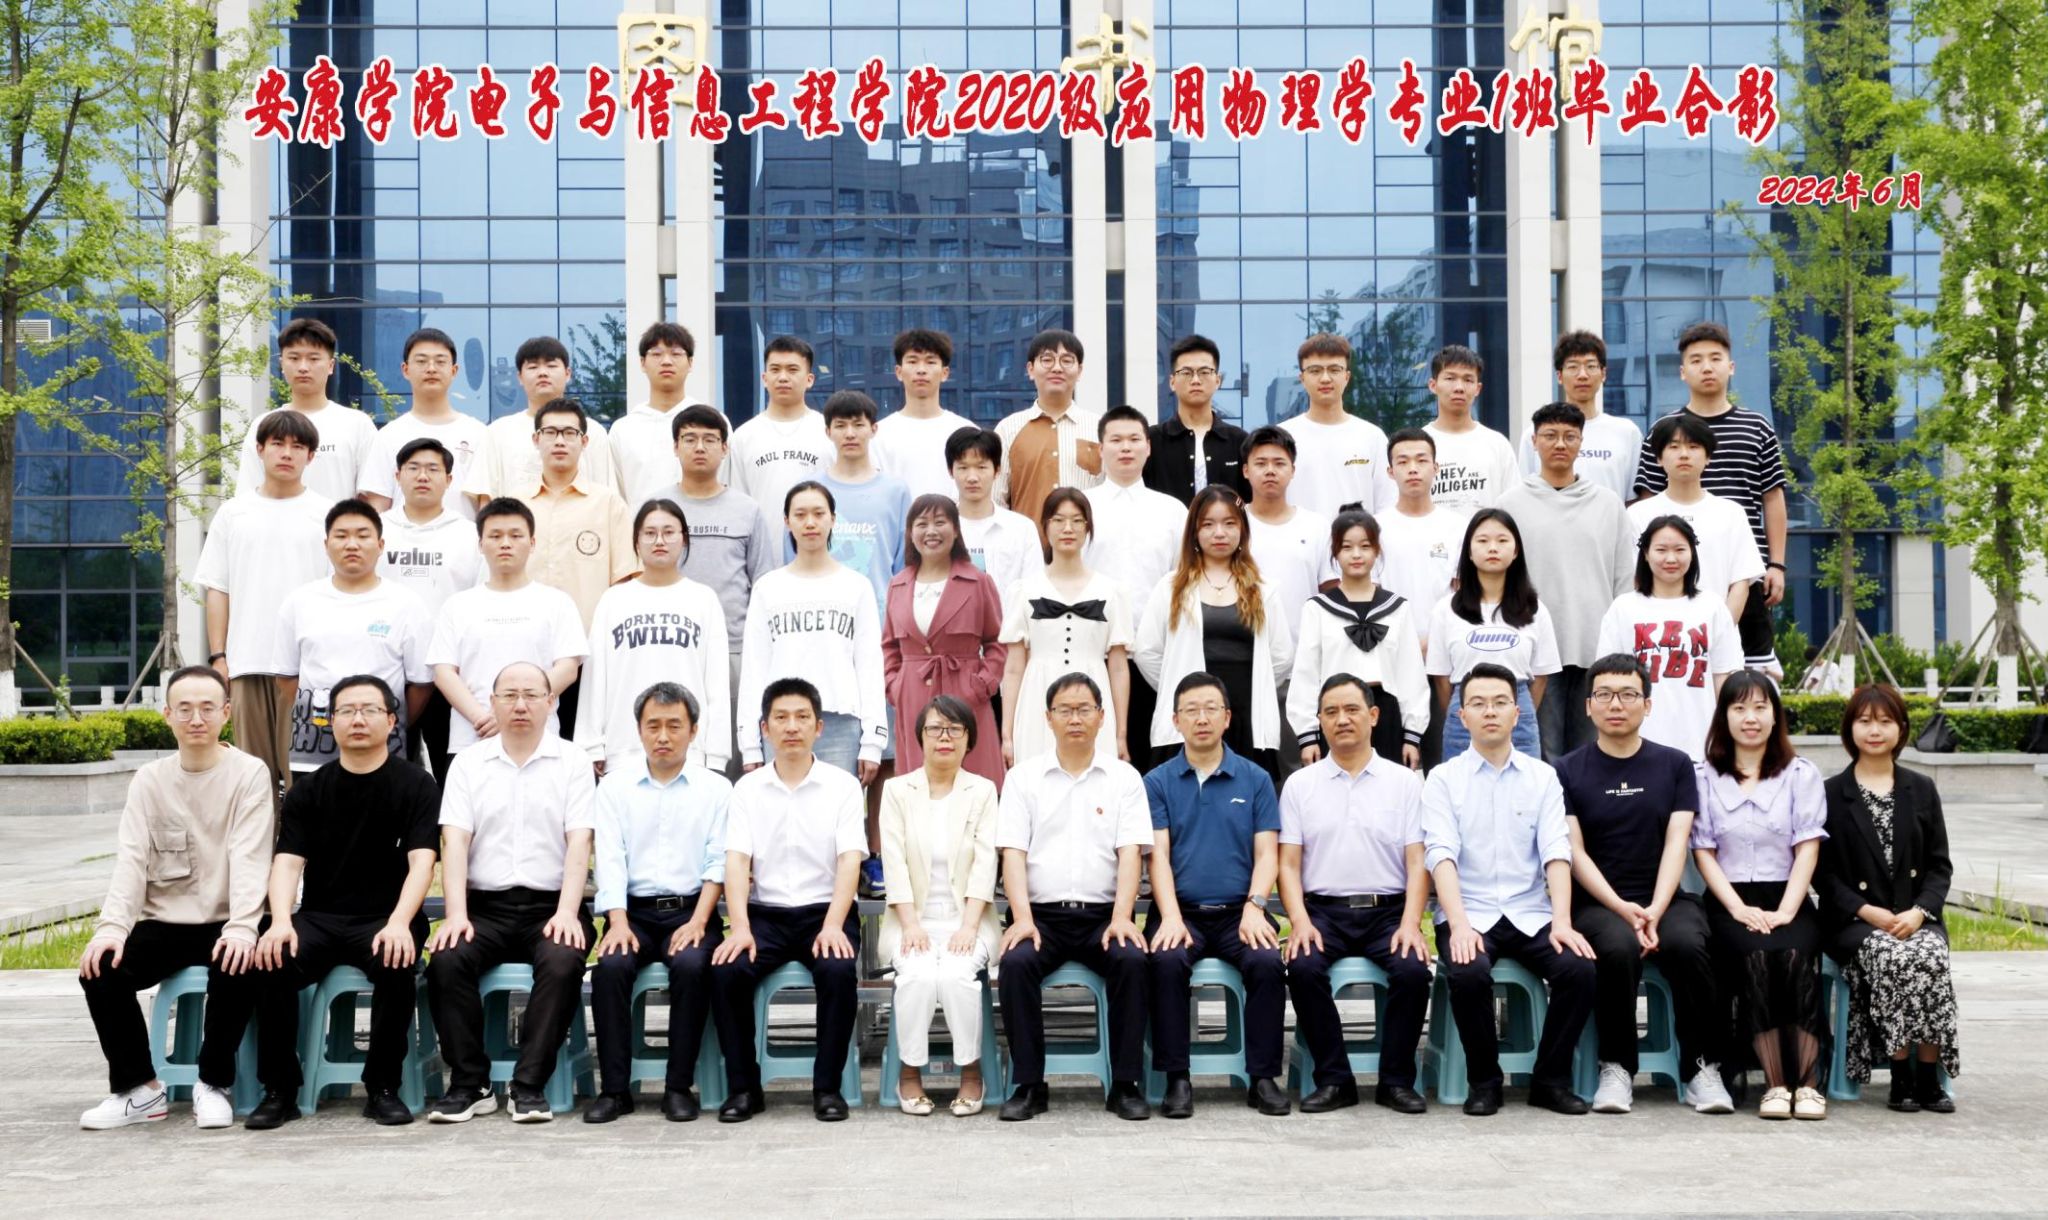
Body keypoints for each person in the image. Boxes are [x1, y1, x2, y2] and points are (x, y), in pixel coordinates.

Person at [76, 667, 272, 1131]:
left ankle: (213, 1084)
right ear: (167, 715)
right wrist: (111, 929)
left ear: (226, 713)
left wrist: (243, 927)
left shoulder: (249, 773)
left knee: (238, 961)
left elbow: (250, 857)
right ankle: (140, 1090)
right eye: (184, 709)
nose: (196, 719)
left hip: (229, 917)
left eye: (207, 708)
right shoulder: (149, 780)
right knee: (100, 969)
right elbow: (131, 861)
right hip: (167, 922)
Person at [246, 673, 439, 1128]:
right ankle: (279, 1091)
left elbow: (422, 863)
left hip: (387, 917)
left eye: (370, 710)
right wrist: (280, 921)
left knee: (395, 959)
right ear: (330, 722)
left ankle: (383, 1087)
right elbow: (287, 863)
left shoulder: (416, 785)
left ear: (391, 721)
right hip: (321, 917)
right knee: (271, 957)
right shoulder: (309, 790)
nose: (358, 719)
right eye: (347, 711)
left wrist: (399, 922)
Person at [1556, 654, 1732, 1117]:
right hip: (1598, 902)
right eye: (1604, 694)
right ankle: (1616, 1067)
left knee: (1688, 945)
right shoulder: (1566, 770)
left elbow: (1678, 843)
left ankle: (1702, 1068)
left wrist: (1654, 908)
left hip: (1666, 898)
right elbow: (1574, 852)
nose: (1616, 704)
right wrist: (1621, 906)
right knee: (1616, 948)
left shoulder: (1674, 765)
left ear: (1647, 705)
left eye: (1628, 694)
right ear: (1588, 706)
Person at [424, 661, 598, 1124]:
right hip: (484, 909)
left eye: (531, 695)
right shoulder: (468, 764)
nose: (520, 705)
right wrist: (456, 915)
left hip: (551, 906)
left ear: (551, 702)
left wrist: (567, 912)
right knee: (446, 960)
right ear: (493, 702)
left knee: (562, 960)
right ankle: (470, 1084)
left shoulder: (573, 762)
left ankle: (529, 1086)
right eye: (509, 695)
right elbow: (454, 842)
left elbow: (579, 841)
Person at [1422, 662, 1596, 1116]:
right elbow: (1440, 855)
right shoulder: (1443, 779)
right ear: (1462, 716)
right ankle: (1484, 1082)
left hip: (1530, 911)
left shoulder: (1543, 777)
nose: (1490, 712)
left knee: (1578, 969)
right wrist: (1459, 925)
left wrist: (1562, 921)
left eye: (1500, 703)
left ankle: (1550, 1080)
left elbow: (1556, 852)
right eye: (1478, 704)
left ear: (1517, 714)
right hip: (1469, 911)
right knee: (1468, 971)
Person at [994, 673, 1152, 1122]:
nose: (1075, 718)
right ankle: (1029, 1085)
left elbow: (1130, 854)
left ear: (1102, 717)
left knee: (1131, 961)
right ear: (1049, 718)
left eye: (1084, 709)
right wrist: (1022, 918)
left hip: (1103, 916)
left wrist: (1122, 917)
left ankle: (1125, 1084)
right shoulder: (1023, 778)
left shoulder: (1124, 778)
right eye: (1065, 710)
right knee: (1016, 963)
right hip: (1040, 917)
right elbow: (1013, 854)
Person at [709, 678, 868, 1123]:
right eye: (781, 717)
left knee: (837, 970)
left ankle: (827, 1089)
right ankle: (744, 1088)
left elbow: (849, 860)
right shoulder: (747, 789)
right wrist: (740, 927)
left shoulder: (842, 786)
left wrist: (833, 925)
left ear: (819, 727)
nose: (791, 726)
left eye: (801, 717)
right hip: (766, 916)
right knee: (727, 970)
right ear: (765, 728)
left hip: (826, 912)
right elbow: (736, 862)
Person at [1279, 674, 1432, 1115]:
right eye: (1331, 712)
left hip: (1388, 913)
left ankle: (1396, 1081)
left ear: (1373, 715)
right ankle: (1334, 1080)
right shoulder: (1301, 785)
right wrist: (1300, 921)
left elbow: (1417, 862)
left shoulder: (1405, 783)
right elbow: (1288, 865)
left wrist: (1411, 924)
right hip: (1323, 913)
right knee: (1303, 966)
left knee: (1412, 970)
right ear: (1319, 721)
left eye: (1351, 710)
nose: (1342, 719)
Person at [1143, 672, 1290, 1118]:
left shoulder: (1255, 778)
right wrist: (1170, 916)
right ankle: (1177, 1078)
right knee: (1166, 961)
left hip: (1239, 912)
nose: (1201, 718)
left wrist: (1255, 906)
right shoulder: (1158, 781)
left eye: (1211, 709)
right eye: (1191, 710)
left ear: (1227, 718)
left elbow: (1267, 853)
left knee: (1266, 962)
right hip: (1181, 910)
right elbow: (1158, 856)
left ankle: (1263, 1077)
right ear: (1176, 720)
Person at [586, 682, 729, 1123]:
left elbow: (718, 862)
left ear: (693, 730)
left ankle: (677, 1087)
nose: (663, 736)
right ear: (639, 730)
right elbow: (609, 858)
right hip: (632, 913)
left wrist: (699, 921)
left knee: (691, 965)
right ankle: (615, 1091)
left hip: (692, 910)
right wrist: (617, 922)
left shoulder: (716, 789)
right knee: (611, 968)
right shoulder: (614, 787)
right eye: (653, 726)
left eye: (674, 725)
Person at [1690, 671, 1830, 1120]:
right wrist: (1737, 908)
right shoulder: (1703, 777)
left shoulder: (1800, 774)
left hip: (1788, 896)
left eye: (1760, 708)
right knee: (1757, 955)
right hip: (1728, 900)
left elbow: (1807, 848)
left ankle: (1807, 1083)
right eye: (1739, 708)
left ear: (1775, 716)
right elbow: (1703, 851)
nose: (1750, 718)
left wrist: (1788, 909)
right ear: (1724, 717)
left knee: (1791, 953)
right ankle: (1774, 1083)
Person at [1817, 684, 1960, 1113]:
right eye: (1864, 721)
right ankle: (1901, 1075)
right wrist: (1867, 912)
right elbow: (1823, 874)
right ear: (1850, 729)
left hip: (1916, 916)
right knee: (1892, 954)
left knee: (1930, 954)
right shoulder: (1830, 792)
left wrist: (1920, 913)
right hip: (1853, 922)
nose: (1874, 730)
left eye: (1884, 721)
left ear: (1901, 728)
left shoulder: (1922, 788)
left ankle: (1928, 1074)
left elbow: (1939, 866)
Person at [1632, 321, 1789, 672]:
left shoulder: (1757, 427)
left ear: (1730, 367)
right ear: (1682, 371)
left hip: (1742, 573)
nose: (1707, 367)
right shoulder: (1663, 431)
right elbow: (1647, 501)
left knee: (1749, 674)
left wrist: (1776, 564)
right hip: (1671, 573)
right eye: (1696, 360)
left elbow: (1773, 498)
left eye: (1715, 359)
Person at [196, 409, 334, 807]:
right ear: (259, 450)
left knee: (305, 779)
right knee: (254, 783)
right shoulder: (232, 513)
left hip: (306, 670)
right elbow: (218, 589)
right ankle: (258, 850)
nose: (287, 453)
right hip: (247, 664)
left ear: (311, 456)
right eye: (277, 444)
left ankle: (303, 850)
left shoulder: (327, 514)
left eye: (297, 446)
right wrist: (219, 657)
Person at [877, 695, 1003, 1116]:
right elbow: (893, 862)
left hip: (968, 921)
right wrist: (911, 925)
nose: (944, 737)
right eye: (935, 728)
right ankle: (910, 1071)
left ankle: (971, 1071)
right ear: (920, 737)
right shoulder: (897, 791)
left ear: (969, 739)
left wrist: (968, 926)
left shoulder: (982, 791)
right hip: (910, 921)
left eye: (954, 729)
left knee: (954, 976)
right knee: (915, 976)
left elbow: (985, 863)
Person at [1498, 403, 1637, 759]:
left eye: (1569, 436)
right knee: (1542, 755)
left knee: (1591, 754)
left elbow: (1625, 579)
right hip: (1535, 650)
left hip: (1596, 649)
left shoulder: (1608, 504)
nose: (1560, 444)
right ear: (1534, 442)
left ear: (1581, 442)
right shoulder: (1509, 505)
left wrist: (1621, 647)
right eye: (1550, 435)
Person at [1136, 486, 1294, 782]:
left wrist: (1254, 687)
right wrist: (1179, 689)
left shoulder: (1263, 589)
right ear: (1194, 532)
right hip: (1189, 723)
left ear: (1242, 529)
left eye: (1229, 523)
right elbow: (1147, 652)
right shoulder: (1171, 587)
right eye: (1208, 524)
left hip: (1247, 718)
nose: (1219, 533)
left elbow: (1282, 657)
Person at [655, 405, 781, 774]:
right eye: (690, 439)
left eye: (710, 439)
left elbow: (763, 584)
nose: (700, 447)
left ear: (725, 449)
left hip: (735, 647)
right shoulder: (658, 508)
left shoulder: (747, 510)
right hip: (672, 643)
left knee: (733, 753)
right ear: (675, 446)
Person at [737, 482, 887, 780]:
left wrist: (872, 741)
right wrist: (750, 745)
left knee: (837, 809)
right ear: (786, 521)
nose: (810, 523)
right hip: (781, 722)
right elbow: (755, 666)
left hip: (840, 723)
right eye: (800, 514)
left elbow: (869, 665)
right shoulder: (768, 588)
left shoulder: (856, 586)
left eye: (819, 514)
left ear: (833, 519)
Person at [575, 499, 731, 777]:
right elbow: (595, 678)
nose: (659, 540)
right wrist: (591, 745)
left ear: (684, 539)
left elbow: (716, 682)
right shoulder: (614, 600)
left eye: (669, 532)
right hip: (624, 749)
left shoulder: (703, 599)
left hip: (690, 753)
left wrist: (716, 753)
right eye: (649, 533)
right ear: (636, 541)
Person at [275, 499, 432, 773]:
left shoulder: (407, 604)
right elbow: (286, 677)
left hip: (385, 752)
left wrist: (385, 719)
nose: (352, 544)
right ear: (326, 545)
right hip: (314, 751)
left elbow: (421, 683)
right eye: (341, 536)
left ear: (380, 545)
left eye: (362, 535)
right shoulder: (299, 602)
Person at [428, 498, 587, 756]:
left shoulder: (557, 602)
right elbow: (444, 672)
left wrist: (511, 710)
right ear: (480, 544)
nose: (505, 543)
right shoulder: (457, 605)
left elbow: (568, 669)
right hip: (472, 740)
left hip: (540, 742)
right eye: (495, 536)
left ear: (532, 543)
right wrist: (485, 717)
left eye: (515, 535)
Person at [1001, 488, 1133, 768]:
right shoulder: (1023, 590)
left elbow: (1119, 667)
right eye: (1058, 520)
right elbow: (1013, 667)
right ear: (1045, 526)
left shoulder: (1112, 591)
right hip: (1036, 698)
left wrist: (1121, 733)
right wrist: (1007, 733)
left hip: (1095, 695)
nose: (1068, 529)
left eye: (1077, 520)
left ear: (1088, 527)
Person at [1287, 509, 1429, 769]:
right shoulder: (1317, 608)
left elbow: (1411, 675)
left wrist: (1412, 735)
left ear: (1377, 551)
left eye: (1365, 546)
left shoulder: (1397, 608)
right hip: (1335, 713)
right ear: (1335, 553)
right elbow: (1305, 675)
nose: (1356, 555)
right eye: (1346, 547)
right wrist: (1307, 736)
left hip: (1386, 714)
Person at [883, 495, 1007, 787]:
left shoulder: (978, 582)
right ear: (910, 532)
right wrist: (895, 685)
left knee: (973, 784)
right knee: (917, 787)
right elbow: (889, 646)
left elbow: (998, 642)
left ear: (955, 530)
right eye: (921, 524)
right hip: (913, 695)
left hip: (965, 694)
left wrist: (980, 685)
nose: (931, 531)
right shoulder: (898, 585)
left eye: (940, 522)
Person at [1595, 516, 1742, 760]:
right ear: (1645, 554)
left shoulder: (1713, 607)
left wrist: (1727, 737)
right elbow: (1608, 680)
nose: (1671, 559)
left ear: (1692, 553)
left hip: (1701, 746)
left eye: (1680, 550)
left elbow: (1724, 677)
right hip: (1636, 748)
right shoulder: (1623, 608)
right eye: (1661, 550)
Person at [1086, 406, 1188, 753]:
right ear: (1101, 449)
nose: (1126, 448)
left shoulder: (1172, 510)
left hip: (1155, 654)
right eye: (1116, 440)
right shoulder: (1081, 507)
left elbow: (1183, 580)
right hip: (1095, 652)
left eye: (1134, 439)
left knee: (1153, 752)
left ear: (1148, 447)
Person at [380, 437, 481, 779]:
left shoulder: (469, 535)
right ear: (398, 476)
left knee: (451, 772)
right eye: (413, 468)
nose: (423, 476)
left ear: (449, 480)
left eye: (433, 469)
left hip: (449, 674)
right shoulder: (376, 529)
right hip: (390, 670)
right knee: (392, 774)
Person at [1425, 508, 1560, 759]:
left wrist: (1515, 711)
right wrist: (1465, 711)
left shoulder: (1535, 609)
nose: (1493, 548)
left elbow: (1541, 676)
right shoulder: (1446, 610)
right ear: (1469, 551)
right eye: (1483, 540)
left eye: (1502, 540)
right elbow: (1441, 678)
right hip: (1463, 716)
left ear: (1516, 550)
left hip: (1519, 716)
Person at [519, 399, 638, 648]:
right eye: (550, 432)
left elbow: (624, 583)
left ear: (584, 442)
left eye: (569, 433)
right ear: (536, 440)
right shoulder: (515, 504)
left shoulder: (608, 504)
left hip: (590, 645)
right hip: (523, 643)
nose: (559, 441)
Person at [1627, 413, 1765, 627]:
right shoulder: (1638, 514)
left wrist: (1721, 633)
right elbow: (1634, 580)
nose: (1684, 455)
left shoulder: (1731, 513)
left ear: (1708, 456)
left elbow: (1741, 582)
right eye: (1674, 447)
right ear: (1659, 458)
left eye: (1693, 447)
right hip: (1654, 634)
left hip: (1714, 635)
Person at [236, 317, 377, 503]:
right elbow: (247, 495)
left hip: (339, 522)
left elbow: (373, 496)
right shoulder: (263, 425)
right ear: (282, 364)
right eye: (294, 358)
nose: (303, 367)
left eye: (313, 359)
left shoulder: (357, 424)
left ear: (331, 365)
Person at [464, 335, 616, 504]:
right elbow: (486, 499)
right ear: (519, 377)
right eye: (533, 367)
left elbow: (607, 496)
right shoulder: (497, 432)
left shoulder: (592, 432)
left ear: (567, 374)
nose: (543, 373)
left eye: (551, 365)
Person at [358, 327, 489, 520]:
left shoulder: (479, 433)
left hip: (463, 539)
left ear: (454, 371)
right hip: (402, 539)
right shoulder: (387, 436)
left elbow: (486, 506)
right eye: (421, 361)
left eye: (440, 361)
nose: (431, 368)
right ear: (405, 370)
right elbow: (378, 508)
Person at [812, 389, 912, 616]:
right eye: (840, 426)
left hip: (881, 619)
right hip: (821, 616)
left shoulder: (896, 491)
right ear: (828, 432)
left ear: (873, 429)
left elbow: (905, 565)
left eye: (858, 425)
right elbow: (795, 557)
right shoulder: (810, 490)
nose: (850, 434)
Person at [995, 328, 1102, 528]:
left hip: (1087, 545)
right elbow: (996, 501)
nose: (1057, 368)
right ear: (1030, 369)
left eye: (1067, 361)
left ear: (1079, 371)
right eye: (1047, 360)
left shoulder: (1099, 429)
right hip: (1027, 545)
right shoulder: (1008, 429)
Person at [1241, 425, 1335, 648]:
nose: (1270, 471)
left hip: (1306, 652)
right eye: (1260, 463)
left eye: (1279, 463)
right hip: (1245, 652)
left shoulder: (1316, 526)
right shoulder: (1233, 525)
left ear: (1293, 470)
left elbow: (1331, 590)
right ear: (1245, 470)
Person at [1279, 333, 1393, 516]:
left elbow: (1386, 507)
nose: (1325, 378)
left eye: (1334, 370)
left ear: (1347, 376)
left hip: (1358, 535)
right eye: (1315, 371)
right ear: (1302, 378)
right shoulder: (1283, 437)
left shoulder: (1372, 437)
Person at [1520, 331, 1640, 501]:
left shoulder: (1627, 432)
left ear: (1603, 373)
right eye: (1573, 367)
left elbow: (1632, 500)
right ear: (1559, 376)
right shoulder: (1537, 433)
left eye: (1591, 366)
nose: (1582, 375)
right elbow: (1525, 494)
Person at [610, 322, 717, 508]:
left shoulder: (712, 424)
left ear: (690, 362)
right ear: (642, 363)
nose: (666, 361)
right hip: (639, 526)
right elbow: (615, 497)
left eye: (676, 354)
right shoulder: (623, 430)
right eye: (656, 354)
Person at [729, 334, 832, 516]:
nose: (783, 377)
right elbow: (738, 503)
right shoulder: (744, 436)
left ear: (809, 379)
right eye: (775, 370)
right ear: (764, 378)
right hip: (760, 535)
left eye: (792, 370)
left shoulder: (828, 432)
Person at [949, 425, 1042, 619]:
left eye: (981, 467)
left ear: (997, 470)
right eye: (963, 468)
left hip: (1008, 633)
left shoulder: (1021, 529)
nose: (972, 477)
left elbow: (1034, 592)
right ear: (951, 471)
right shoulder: (941, 529)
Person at [1145, 334, 1250, 502]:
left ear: (1218, 380)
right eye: (1186, 372)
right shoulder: (1152, 440)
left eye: (1204, 372)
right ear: (1172, 382)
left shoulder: (1239, 441)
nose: (1195, 380)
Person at [873, 328, 973, 500]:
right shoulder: (878, 435)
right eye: (912, 361)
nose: (921, 370)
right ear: (898, 372)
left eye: (930, 362)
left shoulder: (966, 432)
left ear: (945, 373)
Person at [1374, 427, 1467, 607]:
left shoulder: (1458, 526)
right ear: (1390, 471)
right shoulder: (1375, 528)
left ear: (1436, 468)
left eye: (1422, 460)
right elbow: (1370, 591)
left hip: (1443, 625)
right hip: (1389, 625)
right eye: (1403, 462)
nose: (1413, 469)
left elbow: (1462, 592)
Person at [1422, 345, 1518, 515]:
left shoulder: (1497, 444)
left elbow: (1513, 508)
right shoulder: (1418, 443)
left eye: (1468, 380)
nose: (1459, 387)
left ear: (1478, 389)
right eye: (1450, 378)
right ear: (1433, 385)